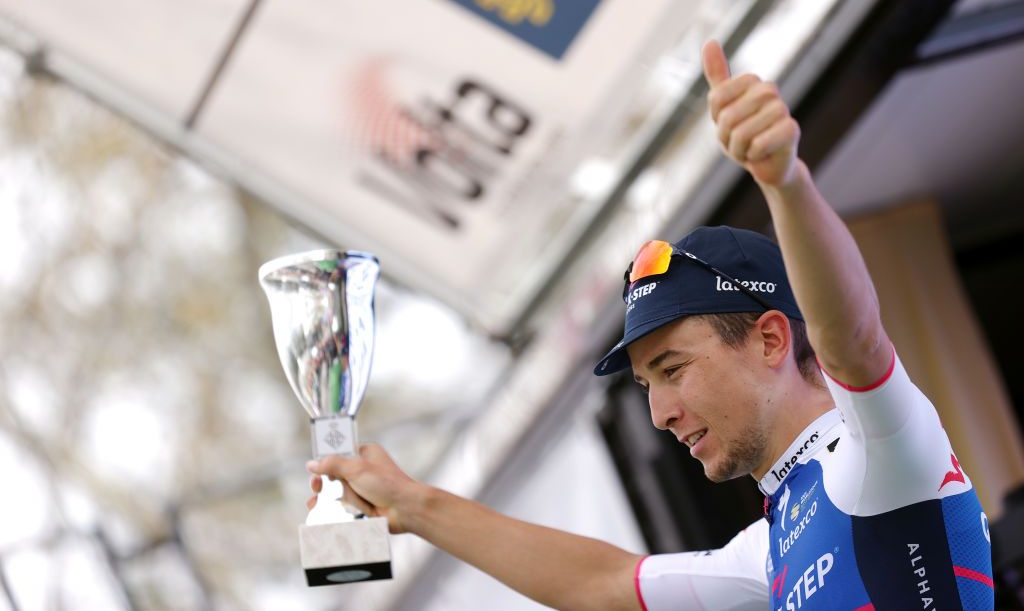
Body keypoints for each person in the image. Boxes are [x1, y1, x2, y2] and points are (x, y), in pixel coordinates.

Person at [306, 41, 994, 610]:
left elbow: (855, 337)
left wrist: (785, 182)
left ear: (772, 338)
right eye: (645, 385)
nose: (661, 413)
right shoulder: (774, 540)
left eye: (672, 368)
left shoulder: (876, 449)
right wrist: (415, 505)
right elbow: (600, 581)